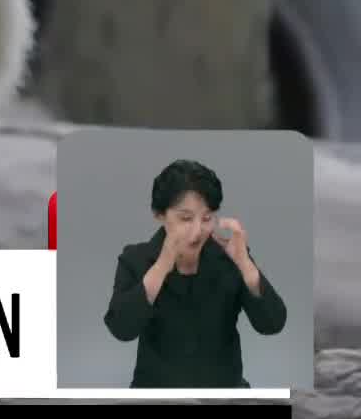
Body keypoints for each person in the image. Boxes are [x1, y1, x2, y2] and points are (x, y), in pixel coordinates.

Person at [102, 158, 287, 388]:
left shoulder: (231, 258)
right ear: (159, 214)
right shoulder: (136, 259)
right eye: (186, 218)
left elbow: (272, 324)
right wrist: (160, 267)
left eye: (207, 218)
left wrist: (245, 265)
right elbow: (121, 328)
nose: (198, 231)